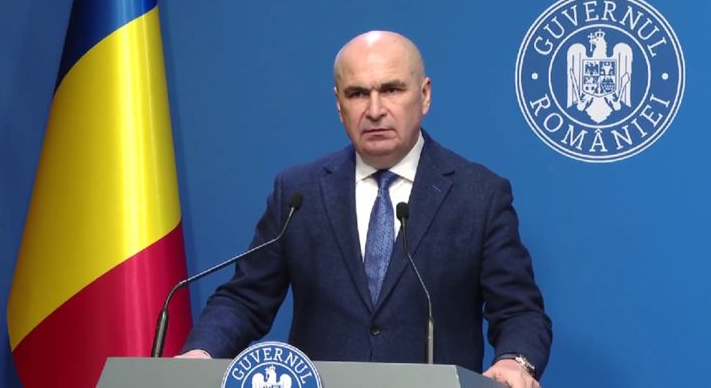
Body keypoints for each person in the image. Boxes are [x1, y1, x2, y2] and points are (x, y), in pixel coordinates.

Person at [180, 31, 552, 388]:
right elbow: (245, 299)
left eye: (391, 89)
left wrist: (514, 360)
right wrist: (202, 352)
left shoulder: (479, 195)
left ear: (424, 96)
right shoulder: (298, 192)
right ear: (339, 105)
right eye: (358, 93)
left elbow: (518, 310)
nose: (375, 110)